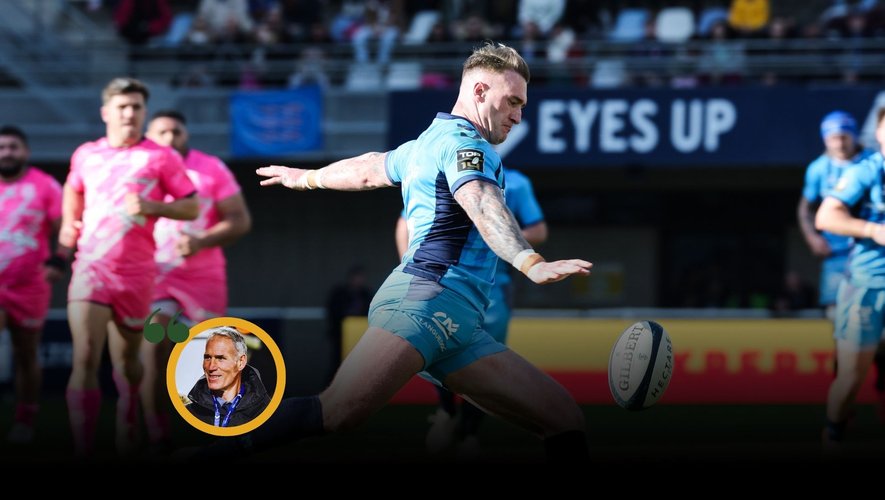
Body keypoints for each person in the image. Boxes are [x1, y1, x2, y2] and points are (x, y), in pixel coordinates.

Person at [193, 42, 592, 462]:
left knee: (562, 416)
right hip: (425, 303)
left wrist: (307, 178)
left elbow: (369, 168)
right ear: (479, 91)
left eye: (522, 105)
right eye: (512, 101)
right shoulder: (465, 146)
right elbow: (480, 201)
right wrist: (529, 261)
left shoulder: (426, 143)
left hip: (458, 324)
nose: (518, 115)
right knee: (339, 411)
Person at [59, 77, 198, 456]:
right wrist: (69, 223)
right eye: (122, 106)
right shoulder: (86, 154)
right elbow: (73, 187)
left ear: (144, 112)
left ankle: (130, 412)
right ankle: (83, 447)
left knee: (128, 363)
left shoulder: (161, 156)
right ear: (106, 112)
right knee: (85, 355)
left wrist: (154, 206)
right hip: (91, 268)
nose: (130, 113)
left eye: (136, 107)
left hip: (137, 275)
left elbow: (191, 205)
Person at [394, 167, 548, 455]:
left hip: (493, 288)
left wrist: (497, 235)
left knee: (486, 358)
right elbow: (405, 222)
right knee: (435, 347)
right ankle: (447, 412)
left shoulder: (515, 184)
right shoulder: (439, 174)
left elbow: (538, 230)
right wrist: (410, 266)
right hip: (442, 283)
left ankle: (469, 430)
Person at [141, 110, 252, 450]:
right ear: (148, 136)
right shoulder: (138, 171)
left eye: (176, 131)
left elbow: (239, 220)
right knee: (153, 342)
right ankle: (156, 430)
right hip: (154, 274)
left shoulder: (211, 168)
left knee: (212, 359)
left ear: (186, 134)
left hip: (203, 278)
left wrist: (201, 240)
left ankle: (213, 427)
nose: (169, 138)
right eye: (161, 132)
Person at [798, 110, 885, 413]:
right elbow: (819, 214)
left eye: (844, 136)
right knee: (850, 374)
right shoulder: (859, 170)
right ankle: (836, 425)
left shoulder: (864, 161)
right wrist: (874, 230)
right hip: (860, 277)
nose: (839, 142)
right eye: (833, 137)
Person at [0, 125, 64, 444]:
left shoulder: (45, 185)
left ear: (25, 151)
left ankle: (25, 419)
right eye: (2, 147)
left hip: (29, 286)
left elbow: (66, 225)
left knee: (26, 354)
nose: (7, 152)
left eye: (13, 146)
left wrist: (59, 259)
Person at [184, 326, 271, 427]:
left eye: (220, 358)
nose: (211, 367)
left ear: (241, 362)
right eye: (207, 358)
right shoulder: (189, 412)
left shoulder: (263, 411)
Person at [324, 264, 372, 383]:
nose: (359, 280)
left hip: (360, 336)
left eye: (361, 277)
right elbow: (333, 311)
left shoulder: (366, 294)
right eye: (356, 277)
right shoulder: (340, 293)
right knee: (338, 363)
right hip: (340, 335)